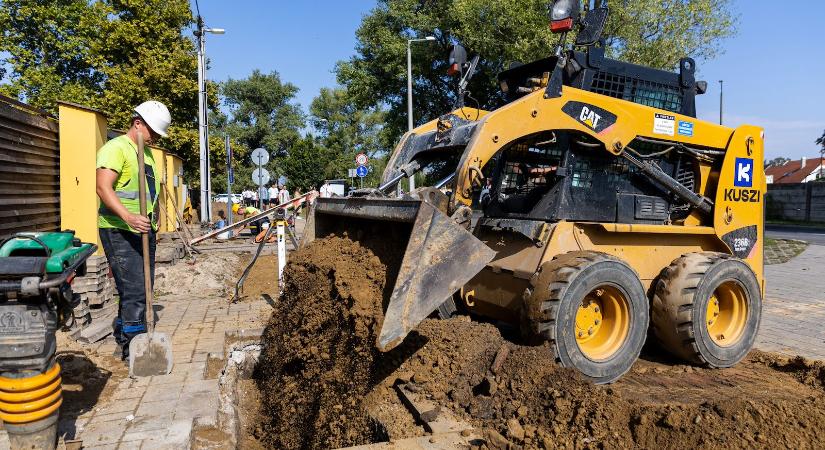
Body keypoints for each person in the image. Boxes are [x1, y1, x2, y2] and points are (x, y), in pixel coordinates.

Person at [96, 100, 171, 361]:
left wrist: (154, 219)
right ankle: (133, 348)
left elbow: (150, 194)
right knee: (136, 290)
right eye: (152, 132)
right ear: (138, 123)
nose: (154, 139)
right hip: (119, 230)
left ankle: (123, 332)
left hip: (143, 230)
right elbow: (103, 188)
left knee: (141, 288)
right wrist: (128, 217)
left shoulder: (147, 154)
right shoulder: (115, 149)